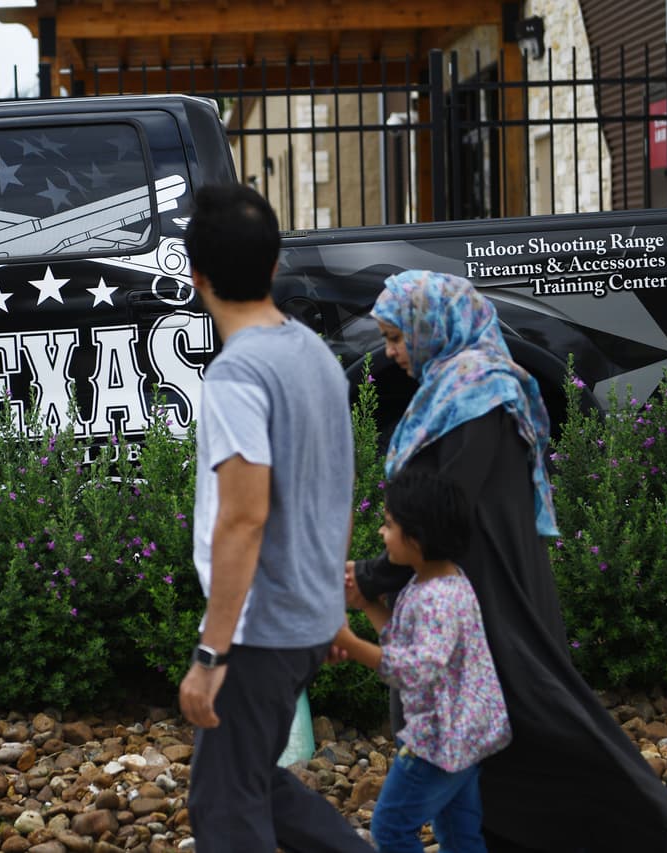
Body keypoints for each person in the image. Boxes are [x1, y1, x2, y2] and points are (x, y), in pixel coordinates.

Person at [349, 269, 667, 852]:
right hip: (478, 595)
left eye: (397, 337)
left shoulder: (474, 394)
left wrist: (372, 577)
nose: (390, 351)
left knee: (536, 723)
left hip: (488, 602)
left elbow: (446, 516)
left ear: (434, 326)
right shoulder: (455, 387)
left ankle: (662, 839)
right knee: (492, 730)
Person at [177, 183, 372, 853]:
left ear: (195, 276)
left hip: (259, 630)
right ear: (274, 263)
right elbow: (337, 488)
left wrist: (211, 652)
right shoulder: (317, 356)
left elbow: (244, 518)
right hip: (304, 618)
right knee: (251, 778)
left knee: (225, 806)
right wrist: (330, 609)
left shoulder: (238, 376)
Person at [334, 468, 510, 853]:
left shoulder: (437, 600)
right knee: (460, 835)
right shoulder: (439, 581)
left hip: (438, 742)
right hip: (466, 737)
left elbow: (416, 669)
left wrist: (349, 642)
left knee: (391, 828)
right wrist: (367, 606)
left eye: (389, 524)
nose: (382, 533)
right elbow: (404, 642)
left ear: (416, 538)